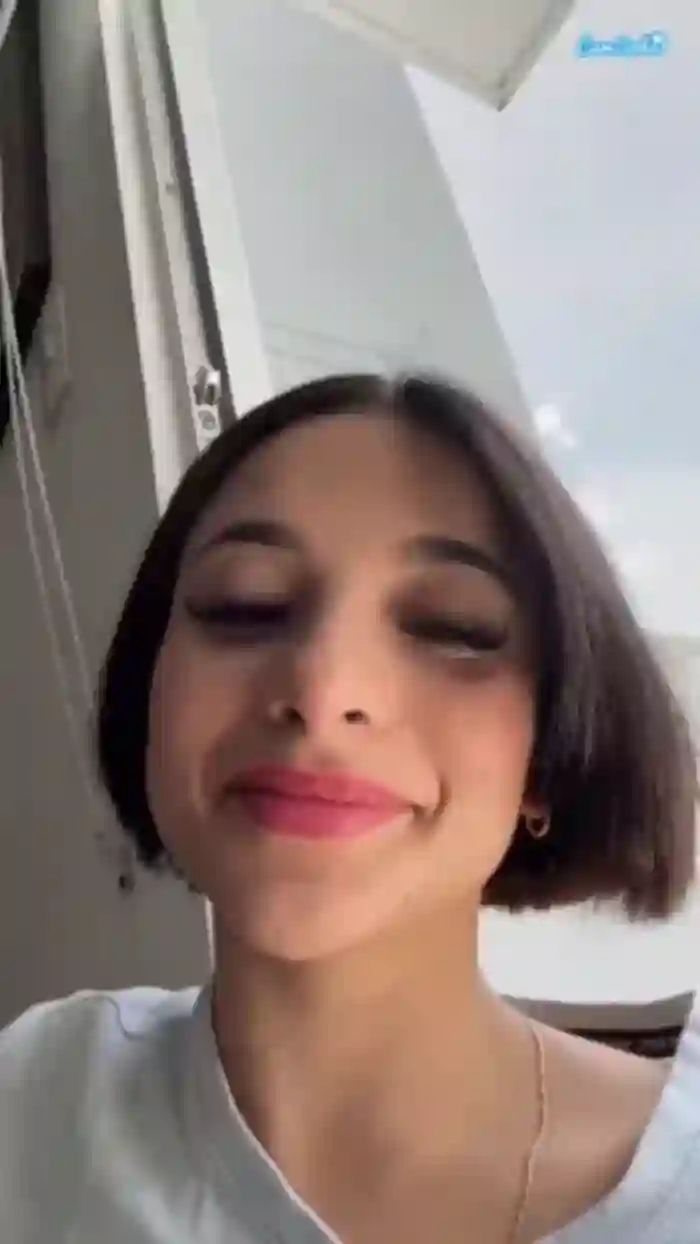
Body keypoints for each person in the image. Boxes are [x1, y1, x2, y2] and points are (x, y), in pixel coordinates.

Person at [0, 373, 698, 1244]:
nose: (324, 690)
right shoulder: (37, 1099)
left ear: (551, 751)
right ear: (151, 692)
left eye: (451, 627)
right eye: (246, 603)